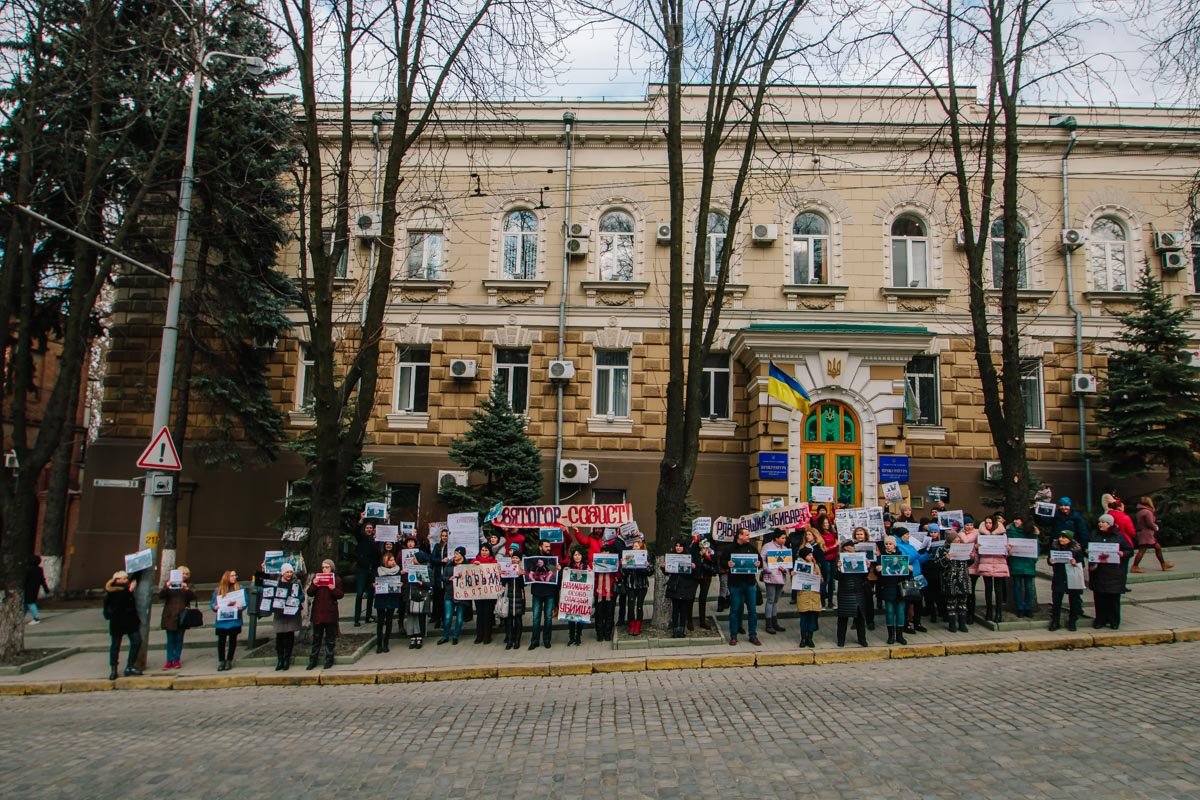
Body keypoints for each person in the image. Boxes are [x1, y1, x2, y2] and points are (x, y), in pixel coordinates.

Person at [1090, 514, 1134, 630]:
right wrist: (1088, 552)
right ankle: (1100, 620)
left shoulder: (1118, 536)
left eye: (1103, 522)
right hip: (1098, 572)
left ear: (1110, 524)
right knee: (1099, 598)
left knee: (1113, 599)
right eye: (1100, 522)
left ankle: (1114, 621)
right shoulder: (1094, 535)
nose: (1100, 524)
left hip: (1114, 573)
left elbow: (1129, 550)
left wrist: (1122, 554)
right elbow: (1088, 548)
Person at [306, 559, 344, 669]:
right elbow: (310, 592)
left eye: (327, 567)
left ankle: (329, 659)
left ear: (331, 568)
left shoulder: (336, 579)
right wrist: (314, 585)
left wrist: (333, 589)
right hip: (318, 612)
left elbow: (340, 594)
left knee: (330, 638)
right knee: (316, 637)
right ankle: (313, 660)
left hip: (330, 613)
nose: (324, 569)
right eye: (323, 567)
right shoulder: (317, 579)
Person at [726, 529, 762, 646]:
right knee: (735, 610)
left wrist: (758, 563)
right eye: (746, 535)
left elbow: (759, 560)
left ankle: (753, 635)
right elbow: (721, 562)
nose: (749, 537)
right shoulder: (730, 549)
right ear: (739, 536)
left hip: (750, 584)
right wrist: (727, 564)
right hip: (735, 584)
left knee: (752, 611)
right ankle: (733, 635)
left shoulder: (751, 548)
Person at [103, 570, 142, 679]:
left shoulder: (127, 588)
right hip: (117, 622)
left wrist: (139, 567)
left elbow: (135, 578)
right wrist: (128, 592)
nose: (126, 580)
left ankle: (130, 666)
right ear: (118, 580)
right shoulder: (112, 591)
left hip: (130, 621)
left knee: (136, 641)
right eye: (124, 578)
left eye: (126, 578)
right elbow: (118, 606)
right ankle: (113, 669)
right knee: (115, 646)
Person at [875, 535, 913, 645]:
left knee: (900, 612)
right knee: (890, 612)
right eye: (886, 544)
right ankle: (891, 635)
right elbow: (878, 571)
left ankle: (900, 635)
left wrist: (909, 569)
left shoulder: (901, 555)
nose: (888, 546)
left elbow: (907, 571)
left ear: (894, 545)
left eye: (890, 544)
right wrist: (879, 569)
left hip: (900, 587)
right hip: (887, 586)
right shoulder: (881, 557)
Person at [933, 530, 972, 633]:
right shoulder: (942, 549)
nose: (958, 540)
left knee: (962, 602)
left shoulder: (963, 548)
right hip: (950, 579)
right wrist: (946, 559)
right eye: (956, 539)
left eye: (958, 538)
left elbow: (968, 563)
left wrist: (972, 558)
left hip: (963, 578)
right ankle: (952, 624)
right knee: (951, 602)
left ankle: (962, 624)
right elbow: (937, 564)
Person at [157, 565, 195, 670]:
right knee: (170, 639)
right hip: (170, 615)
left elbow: (194, 597)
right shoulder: (170, 584)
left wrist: (187, 589)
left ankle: (176, 660)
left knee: (179, 639)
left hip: (182, 616)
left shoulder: (188, 585)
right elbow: (161, 596)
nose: (185, 576)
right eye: (183, 574)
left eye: (187, 574)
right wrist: (167, 586)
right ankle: (169, 660)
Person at [975, 516, 1011, 624]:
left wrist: (1007, 549)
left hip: (999, 564)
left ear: (994, 524)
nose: (988, 525)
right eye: (986, 522)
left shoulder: (1002, 535)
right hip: (986, 563)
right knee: (988, 589)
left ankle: (998, 613)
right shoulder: (981, 535)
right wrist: (977, 547)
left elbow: (1007, 553)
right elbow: (977, 552)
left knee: (998, 590)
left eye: (990, 523)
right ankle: (989, 611)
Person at [893, 527, 929, 634]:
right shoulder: (898, 546)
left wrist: (927, 553)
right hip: (908, 577)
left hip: (918, 576)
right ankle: (905, 624)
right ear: (901, 536)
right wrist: (917, 553)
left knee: (918, 602)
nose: (908, 536)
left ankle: (917, 622)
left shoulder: (910, 545)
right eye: (906, 534)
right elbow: (905, 559)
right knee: (907, 602)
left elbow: (919, 560)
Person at [1047, 529, 1084, 632]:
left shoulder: (1076, 549)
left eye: (1064, 537)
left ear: (1069, 539)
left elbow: (1081, 562)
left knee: (1074, 600)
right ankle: (1055, 621)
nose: (1061, 539)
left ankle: (1072, 621)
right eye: (1060, 537)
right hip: (1059, 575)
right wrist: (1050, 561)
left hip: (1072, 576)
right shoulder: (1055, 546)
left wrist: (1075, 562)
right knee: (1057, 599)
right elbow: (1050, 558)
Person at [834, 541, 869, 647]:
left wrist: (866, 567)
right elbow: (835, 576)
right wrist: (839, 568)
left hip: (858, 590)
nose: (854, 547)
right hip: (845, 591)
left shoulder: (860, 557)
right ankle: (841, 640)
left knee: (860, 617)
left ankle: (862, 639)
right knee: (843, 617)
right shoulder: (839, 558)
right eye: (851, 546)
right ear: (845, 548)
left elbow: (864, 575)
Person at [662, 538, 698, 639]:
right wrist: (663, 567)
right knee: (675, 609)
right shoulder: (671, 557)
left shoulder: (689, 557)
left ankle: (681, 630)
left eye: (680, 546)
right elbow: (667, 572)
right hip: (675, 587)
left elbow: (695, 572)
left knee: (683, 610)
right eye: (676, 546)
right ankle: (675, 630)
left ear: (684, 547)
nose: (678, 548)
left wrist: (694, 567)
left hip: (686, 587)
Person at [210, 570, 245, 671]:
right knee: (221, 640)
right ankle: (222, 660)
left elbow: (244, 601)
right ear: (227, 577)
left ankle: (229, 659)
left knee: (233, 640)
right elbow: (212, 602)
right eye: (232, 576)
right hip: (222, 620)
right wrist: (214, 607)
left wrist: (241, 606)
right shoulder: (218, 590)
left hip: (234, 619)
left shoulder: (239, 588)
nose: (235, 577)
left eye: (235, 575)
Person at [272, 563, 304, 670]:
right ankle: (280, 659)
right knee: (280, 636)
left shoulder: (297, 582)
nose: (289, 574)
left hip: (291, 612)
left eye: (291, 572)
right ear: (283, 573)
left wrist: (297, 600)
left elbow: (301, 595)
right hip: (280, 613)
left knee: (289, 636)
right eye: (287, 572)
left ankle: (287, 659)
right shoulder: (277, 583)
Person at [529, 540, 560, 649]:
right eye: (546, 546)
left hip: (549, 593)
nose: (548, 548)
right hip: (537, 592)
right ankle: (535, 641)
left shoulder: (552, 560)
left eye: (549, 546)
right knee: (536, 618)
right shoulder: (533, 560)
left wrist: (558, 570)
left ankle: (547, 640)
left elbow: (555, 576)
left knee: (548, 617)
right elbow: (529, 574)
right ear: (540, 547)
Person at [1007, 515, 1039, 618]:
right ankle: (1020, 608)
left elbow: (1036, 547)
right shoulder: (1010, 531)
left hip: (1028, 561)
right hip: (1016, 561)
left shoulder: (1031, 532)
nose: (1015, 521)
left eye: (1018, 519)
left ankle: (1028, 608)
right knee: (1017, 586)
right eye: (1014, 519)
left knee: (1029, 587)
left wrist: (1034, 558)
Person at [403, 539, 433, 649]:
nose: (413, 559)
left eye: (415, 558)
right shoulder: (411, 569)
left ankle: (420, 636)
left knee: (421, 617)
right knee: (412, 616)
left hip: (422, 595)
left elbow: (431, 583)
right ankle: (413, 635)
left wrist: (422, 583)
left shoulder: (427, 570)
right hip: (412, 594)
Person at [761, 529, 791, 635]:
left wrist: (785, 569)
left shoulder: (785, 548)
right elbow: (762, 560)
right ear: (776, 538)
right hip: (770, 576)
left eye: (785, 538)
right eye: (782, 538)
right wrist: (768, 570)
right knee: (770, 599)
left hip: (781, 577)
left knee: (776, 600)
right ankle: (768, 623)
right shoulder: (767, 546)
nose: (784, 540)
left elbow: (788, 563)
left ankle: (774, 622)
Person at [1133, 496, 1174, 573]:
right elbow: (1150, 523)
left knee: (1156, 547)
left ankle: (1163, 564)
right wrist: (1156, 527)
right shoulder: (1147, 512)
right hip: (1146, 533)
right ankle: (1135, 566)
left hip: (1143, 532)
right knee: (1143, 549)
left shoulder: (1140, 511)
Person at [793, 542, 822, 648]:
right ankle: (803, 638)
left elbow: (821, 580)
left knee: (812, 619)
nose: (811, 557)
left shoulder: (815, 566)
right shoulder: (799, 566)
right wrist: (794, 576)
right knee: (804, 619)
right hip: (803, 595)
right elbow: (795, 582)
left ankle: (810, 637)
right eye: (809, 555)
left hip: (814, 595)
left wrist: (817, 577)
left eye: (811, 555)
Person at [438, 548, 468, 645]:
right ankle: (445, 636)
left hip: (462, 594)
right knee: (447, 616)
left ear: (462, 555)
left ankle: (455, 636)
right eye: (455, 553)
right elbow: (443, 577)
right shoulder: (449, 564)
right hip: (449, 594)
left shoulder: (467, 566)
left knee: (459, 617)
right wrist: (448, 579)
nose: (455, 555)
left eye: (457, 553)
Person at [374, 552, 403, 652]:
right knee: (380, 621)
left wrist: (400, 584)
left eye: (393, 560)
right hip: (381, 598)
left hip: (392, 597)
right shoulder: (379, 570)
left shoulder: (397, 570)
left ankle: (386, 643)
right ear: (385, 561)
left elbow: (400, 581)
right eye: (390, 560)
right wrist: (374, 585)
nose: (393, 562)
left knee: (389, 621)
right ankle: (379, 644)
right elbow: (373, 582)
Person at [471, 543, 499, 644]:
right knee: (479, 614)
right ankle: (479, 635)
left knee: (488, 614)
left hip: (489, 594)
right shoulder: (474, 561)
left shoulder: (494, 562)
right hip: (478, 593)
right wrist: (474, 564)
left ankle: (487, 635)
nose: (484, 552)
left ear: (489, 552)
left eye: (486, 550)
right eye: (482, 550)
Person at [593, 538, 620, 642]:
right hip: (599, 592)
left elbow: (619, 576)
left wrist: (617, 566)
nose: (604, 556)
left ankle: (608, 634)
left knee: (610, 614)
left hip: (610, 593)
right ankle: (599, 634)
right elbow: (591, 574)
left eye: (607, 553)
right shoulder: (595, 565)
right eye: (602, 553)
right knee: (599, 614)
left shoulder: (614, 565)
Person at [851, 527, 877, 631]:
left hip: (868, 576)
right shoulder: (852, 545)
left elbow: (877, 558)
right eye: (857, 534)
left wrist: (875, 555)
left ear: (865, 535)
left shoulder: (872, 545)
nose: (859, 536)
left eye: (861, 534)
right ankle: (856, 621)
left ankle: (870, 621)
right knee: (855, 600)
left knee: (868, 600)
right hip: (856, 575)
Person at [500, 546, 526, 650]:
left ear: (520, 559)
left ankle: (517, 640)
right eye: (513, 558)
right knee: (509, 620)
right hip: (508, 596)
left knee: (518, 620)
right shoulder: (507, 567)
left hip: (519, 596)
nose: (515, 559)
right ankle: (510, 640)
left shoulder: (522, 569)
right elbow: (503, 582)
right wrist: (502, 574)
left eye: (517, 558)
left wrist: (521, 574)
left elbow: (524, 585)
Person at [623, 540, 651, 636]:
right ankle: (631, 624)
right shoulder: (628, 556)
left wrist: (643, 566)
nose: (635, 548)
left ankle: (638, 625)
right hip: (631, 585)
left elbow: (650, 572)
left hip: (642, 586)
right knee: (630, 606)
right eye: (634, 546)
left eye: (637, 546)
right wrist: (623, 565)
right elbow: (624, 573)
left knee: (639, 606)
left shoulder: (646, 557)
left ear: (641, 548)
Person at [354, 521, 378, 627]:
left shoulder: (375, 540)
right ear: (365, 529)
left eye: (371, 528)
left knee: (371, 594)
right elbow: (356, 532)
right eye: (367, 528)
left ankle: (368, 616)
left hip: (372, 570)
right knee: (359, 594)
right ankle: (357, 618)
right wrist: (360, 521)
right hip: (362, 570)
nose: (369, 529)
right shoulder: (361, 538)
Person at [564, 548, 589, 646]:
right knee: (571, 617)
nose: (577, 556)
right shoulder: (569, 567)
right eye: (575, 555)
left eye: (579, 554)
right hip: (572, 597)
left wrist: (590, 572)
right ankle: (571, 637)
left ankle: (578, 636)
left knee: (580, 617)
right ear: (572, 557)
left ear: (582, 556)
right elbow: (564, 578)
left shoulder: (586, 567)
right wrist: (564, 571)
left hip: (582, 597)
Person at [815, 516, 838, 609]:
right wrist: (834, 546)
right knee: (825, 580)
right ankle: (822, 602)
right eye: (824, 523)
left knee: (832, 581)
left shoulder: (832, 533)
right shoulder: (820, 535)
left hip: (834, 559)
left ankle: (830, 602)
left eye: (827, 523)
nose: (826, 525)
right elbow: (824, 550)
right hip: (826, 560)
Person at [430, 528, 450, 629]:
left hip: (447, 577)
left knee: (445, 600)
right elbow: (432, 559)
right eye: (443, 536)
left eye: (446, 536)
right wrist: (441, 560)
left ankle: (444, 619)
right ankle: (437, 619)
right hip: (438, 576)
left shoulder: (451, 547)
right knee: (437, 600)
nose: (444, 537)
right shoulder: (437, 546)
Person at [24, 554, 49, 625]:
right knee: (26, 604)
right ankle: (20, 617)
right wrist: (46, 589)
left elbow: (25, 580)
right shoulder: (39, 569)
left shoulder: (28, 569)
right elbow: (42, 580)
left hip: (28, 589)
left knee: (30, 603)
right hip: (35, 589)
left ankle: (36, 618)